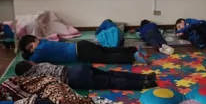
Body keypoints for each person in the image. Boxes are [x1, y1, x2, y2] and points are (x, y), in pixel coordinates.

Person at [0, 75, 123, 104]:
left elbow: (31, 87)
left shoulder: (4, 88)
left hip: (46, 87)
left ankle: (103, 103)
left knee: (62, 100)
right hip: (41, 97)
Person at [14, 60, 158, 90]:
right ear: (31, 64)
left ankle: (144, 84)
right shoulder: (40, 64)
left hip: (74, 79)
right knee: (110, 74)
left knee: (110, 82)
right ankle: (145, 77)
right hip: (76, 68)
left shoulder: (33, 79)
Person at [19, 35, 148, 64]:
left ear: (36, 40)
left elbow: (31, 63)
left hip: (81, 52)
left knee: (106, 57)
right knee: (107, 51)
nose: (32, 51)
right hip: (81, 45)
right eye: (29, 50)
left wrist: (26, 55)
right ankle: (133, 49)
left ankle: (133, 57)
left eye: (31, 47)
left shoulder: (40, 51)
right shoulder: (44, 42)